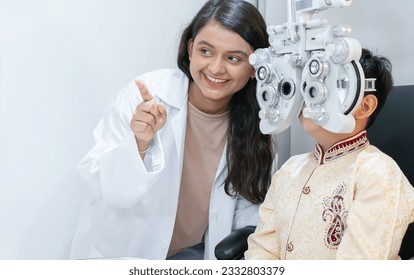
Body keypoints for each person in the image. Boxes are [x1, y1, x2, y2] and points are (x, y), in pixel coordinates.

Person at [69, 0, 276, 260]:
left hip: (191, 257)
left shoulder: (260, 124)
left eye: (233, 58)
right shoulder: (146, 97)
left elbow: (247, 215)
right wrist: (139, 144)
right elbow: (110, 191)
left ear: (256, 67)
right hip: (119, 256)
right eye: (206, 51)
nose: (215, 68)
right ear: (190, 49)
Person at [245, 48, 414, 260]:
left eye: (326, 85)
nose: (308, 97)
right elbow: (262, 248)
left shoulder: (378, 172)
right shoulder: (289, 169)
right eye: (305, 85)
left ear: (364, 106)